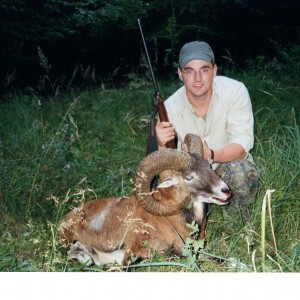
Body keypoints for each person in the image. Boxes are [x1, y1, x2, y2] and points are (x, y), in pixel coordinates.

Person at [155, 41, 259, 221]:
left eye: (204, 69)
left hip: (226, 167)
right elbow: (165, 166)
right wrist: (160, 144)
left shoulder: (235, 91)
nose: (197, 78)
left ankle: (236, 219)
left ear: (214, 70)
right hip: (192, 177)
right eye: (189, 70)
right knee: (163, 191)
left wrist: (209, 154)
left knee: (242, 172)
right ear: (180, 74)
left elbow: (242, 146)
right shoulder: (169, 108)